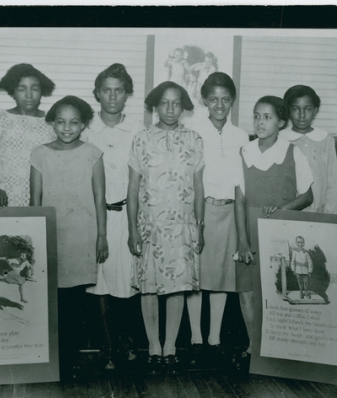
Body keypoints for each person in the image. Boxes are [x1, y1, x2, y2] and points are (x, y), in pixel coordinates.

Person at [127, 81, 205, 375]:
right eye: (164, 103)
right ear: (154, 106)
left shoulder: (194, 139)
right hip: (150, 226)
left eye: (176, 103)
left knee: (178, 287)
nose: (170, 109)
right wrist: (133, 229)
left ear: (183, 106)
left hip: (182, 226)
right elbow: (133, 187)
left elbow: (198, 187)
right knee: (149, 287)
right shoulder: (141, 139)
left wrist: (200, 225)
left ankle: (170, 346)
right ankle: (152, 345)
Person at [29, 95, 108, 378]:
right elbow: (34, 200)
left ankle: (70, 358)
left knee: (76, 301)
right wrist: (36, 239)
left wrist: (102, 236)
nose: (66, 127)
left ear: (84, 124)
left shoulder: (93, 153)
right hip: (52, 235)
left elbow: (100, 198)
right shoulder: (39, 153)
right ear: (52, 122)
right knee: (54, 300)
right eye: (60, 121)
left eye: (74, 122)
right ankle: (54, 360)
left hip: (82, 236)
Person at [235, 96, 314, 367]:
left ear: (281, 122)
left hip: (281, 234)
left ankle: (279, 349)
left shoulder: (293, 152)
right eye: (256, 116)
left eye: (267, 117)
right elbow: (240, 199)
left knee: (278, 290)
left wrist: (280, 209)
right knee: (247, 291)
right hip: (250, 234)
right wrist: (243, 240)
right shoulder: (244, 151)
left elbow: (307, 196)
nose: (260, 122)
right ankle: (253, 345)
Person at [184, 72, 249, 366]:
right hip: (202, 210)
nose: (219, 105)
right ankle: (196, 339)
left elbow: (241, 182)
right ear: (204, 101)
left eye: (225, 99)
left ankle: (215, 339)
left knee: (222, 276)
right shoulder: (193, 131)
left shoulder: (241, 135)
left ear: (232, 100)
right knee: (198, 276)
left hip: (230, 211)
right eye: (213, 99)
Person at [84, 63, 145, 370]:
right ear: (97, 93)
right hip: (94, 217)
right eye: (106, 90)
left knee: (127, 281)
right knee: (99, 282)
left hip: (127, 215)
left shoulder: (137, 130)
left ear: (127, 94)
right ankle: (107, 349)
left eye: (118, 90)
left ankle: (128, 345)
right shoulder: (85, 129)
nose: (112, 96)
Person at [0, 63, 56, 207]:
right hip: (8, 201)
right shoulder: (1, 121)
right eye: (22, 89)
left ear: (42, 91)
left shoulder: (52, 122)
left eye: (34, 88)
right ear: (12, 92)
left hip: (45, 200)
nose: (29, 94)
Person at [281, 85, 337, 214]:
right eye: (296, 109)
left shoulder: (325, 139)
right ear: (288, 111)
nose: (302, 115)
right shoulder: (280, 138)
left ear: (315, 110)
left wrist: (328, 216)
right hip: (286, 213)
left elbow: (333, 183)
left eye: (307, 109)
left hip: (318, 213)